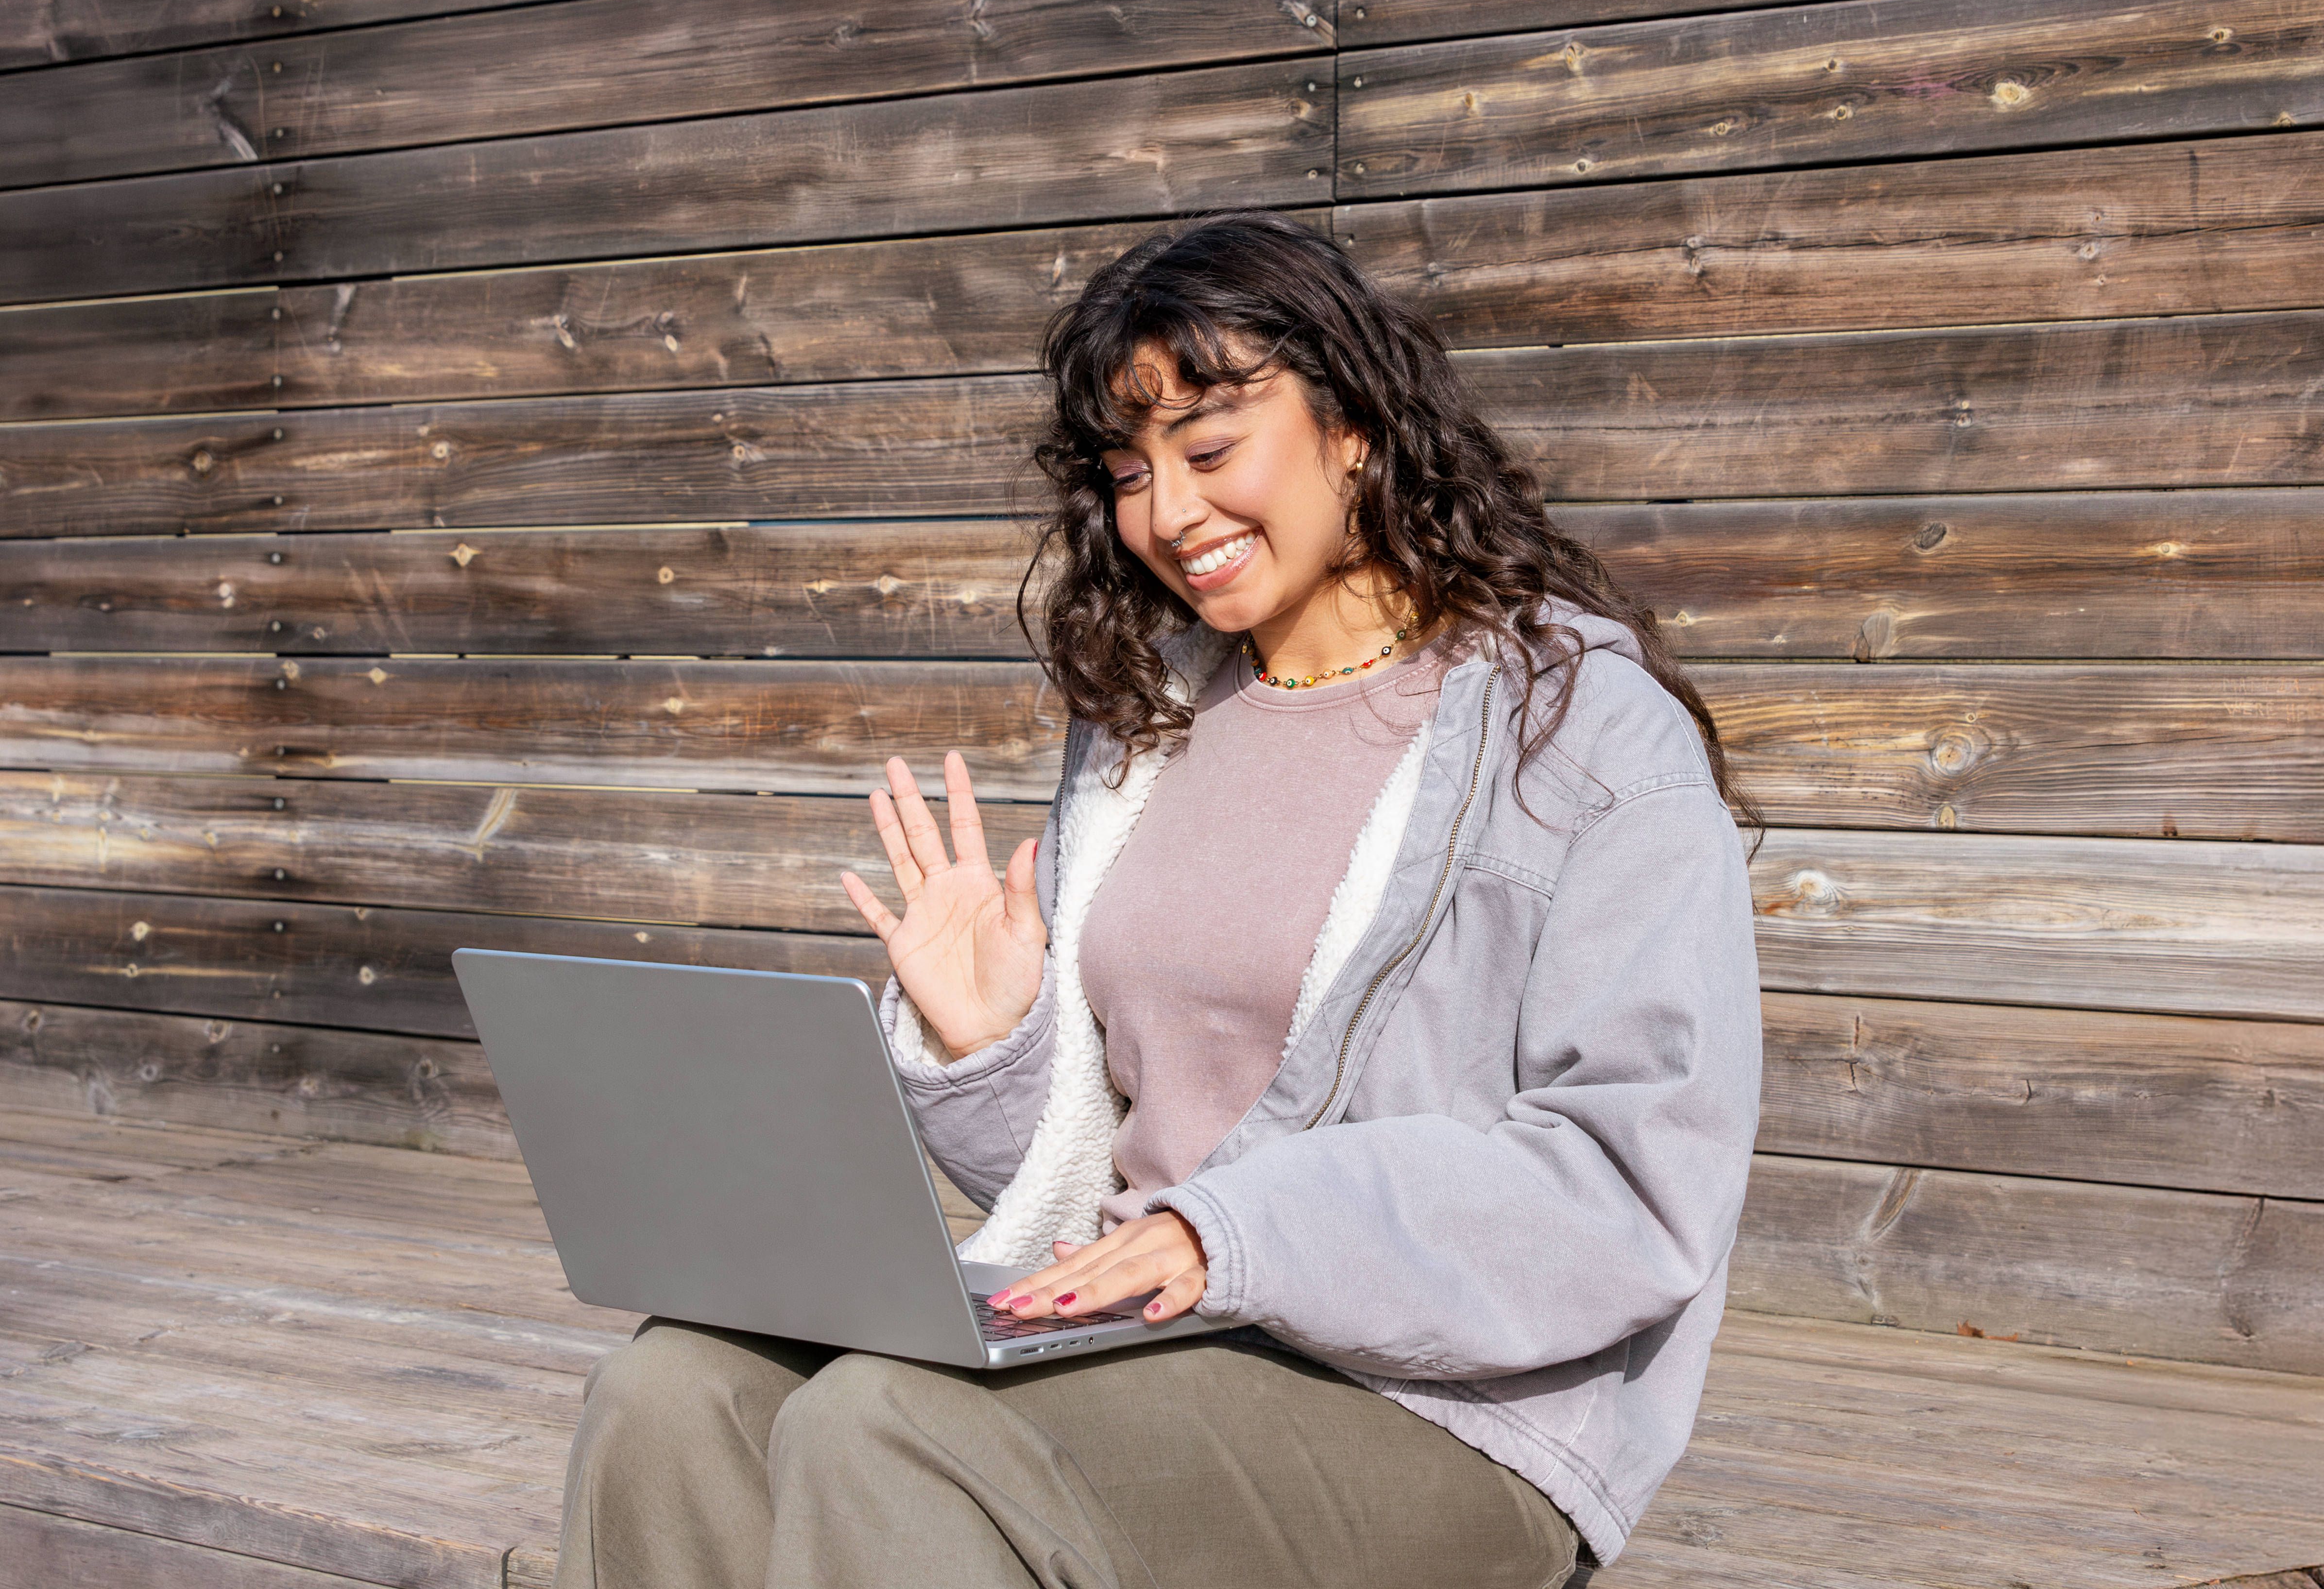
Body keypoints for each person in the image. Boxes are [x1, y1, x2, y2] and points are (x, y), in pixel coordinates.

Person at [555, 209, 1764, 1589]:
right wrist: (995, 1041)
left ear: (1355, 422)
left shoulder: (1583, 732)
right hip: (1148, 1342)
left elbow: (1634, 1181)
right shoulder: (1156, 727)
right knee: (678, 1392)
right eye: (1131, 473)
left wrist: (1234, 1234)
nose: (1170, 515)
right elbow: (1098, 1182)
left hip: (1447, 1411)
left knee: (891, 1428)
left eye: (1209, 449)